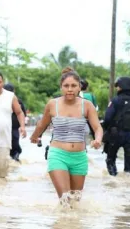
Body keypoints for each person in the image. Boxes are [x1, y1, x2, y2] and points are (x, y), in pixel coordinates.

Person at [30, 67, 103, 209]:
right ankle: (62, 228)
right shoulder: (53, 104)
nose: (70, 89)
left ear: (79, 87)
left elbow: (97, 127)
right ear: (61, 87)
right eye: (66, 86)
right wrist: (34, 136)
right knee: (65, 199)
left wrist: (98, 139)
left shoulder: (87, 105)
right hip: (58, 154)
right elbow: (42, 124)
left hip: (79, 157)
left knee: (75, 201)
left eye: (73, 86)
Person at [102, 76, 130, 176]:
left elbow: (107, 118)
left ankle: (113, 180)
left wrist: (105, 130)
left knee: (110, 160)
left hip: (115, 135)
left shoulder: (116, 100)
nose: (117, 88)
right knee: (129, 163)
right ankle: (128, 183)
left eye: (117, 86)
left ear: (120, 87)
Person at [3, 83, 27, 162]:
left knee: (14, 141)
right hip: (4, 126)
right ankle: (11, 156)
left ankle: (15, 154)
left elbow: (22, 113)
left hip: (14, 126)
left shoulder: (18, 101)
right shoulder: (0, 101)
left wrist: (22, 126)